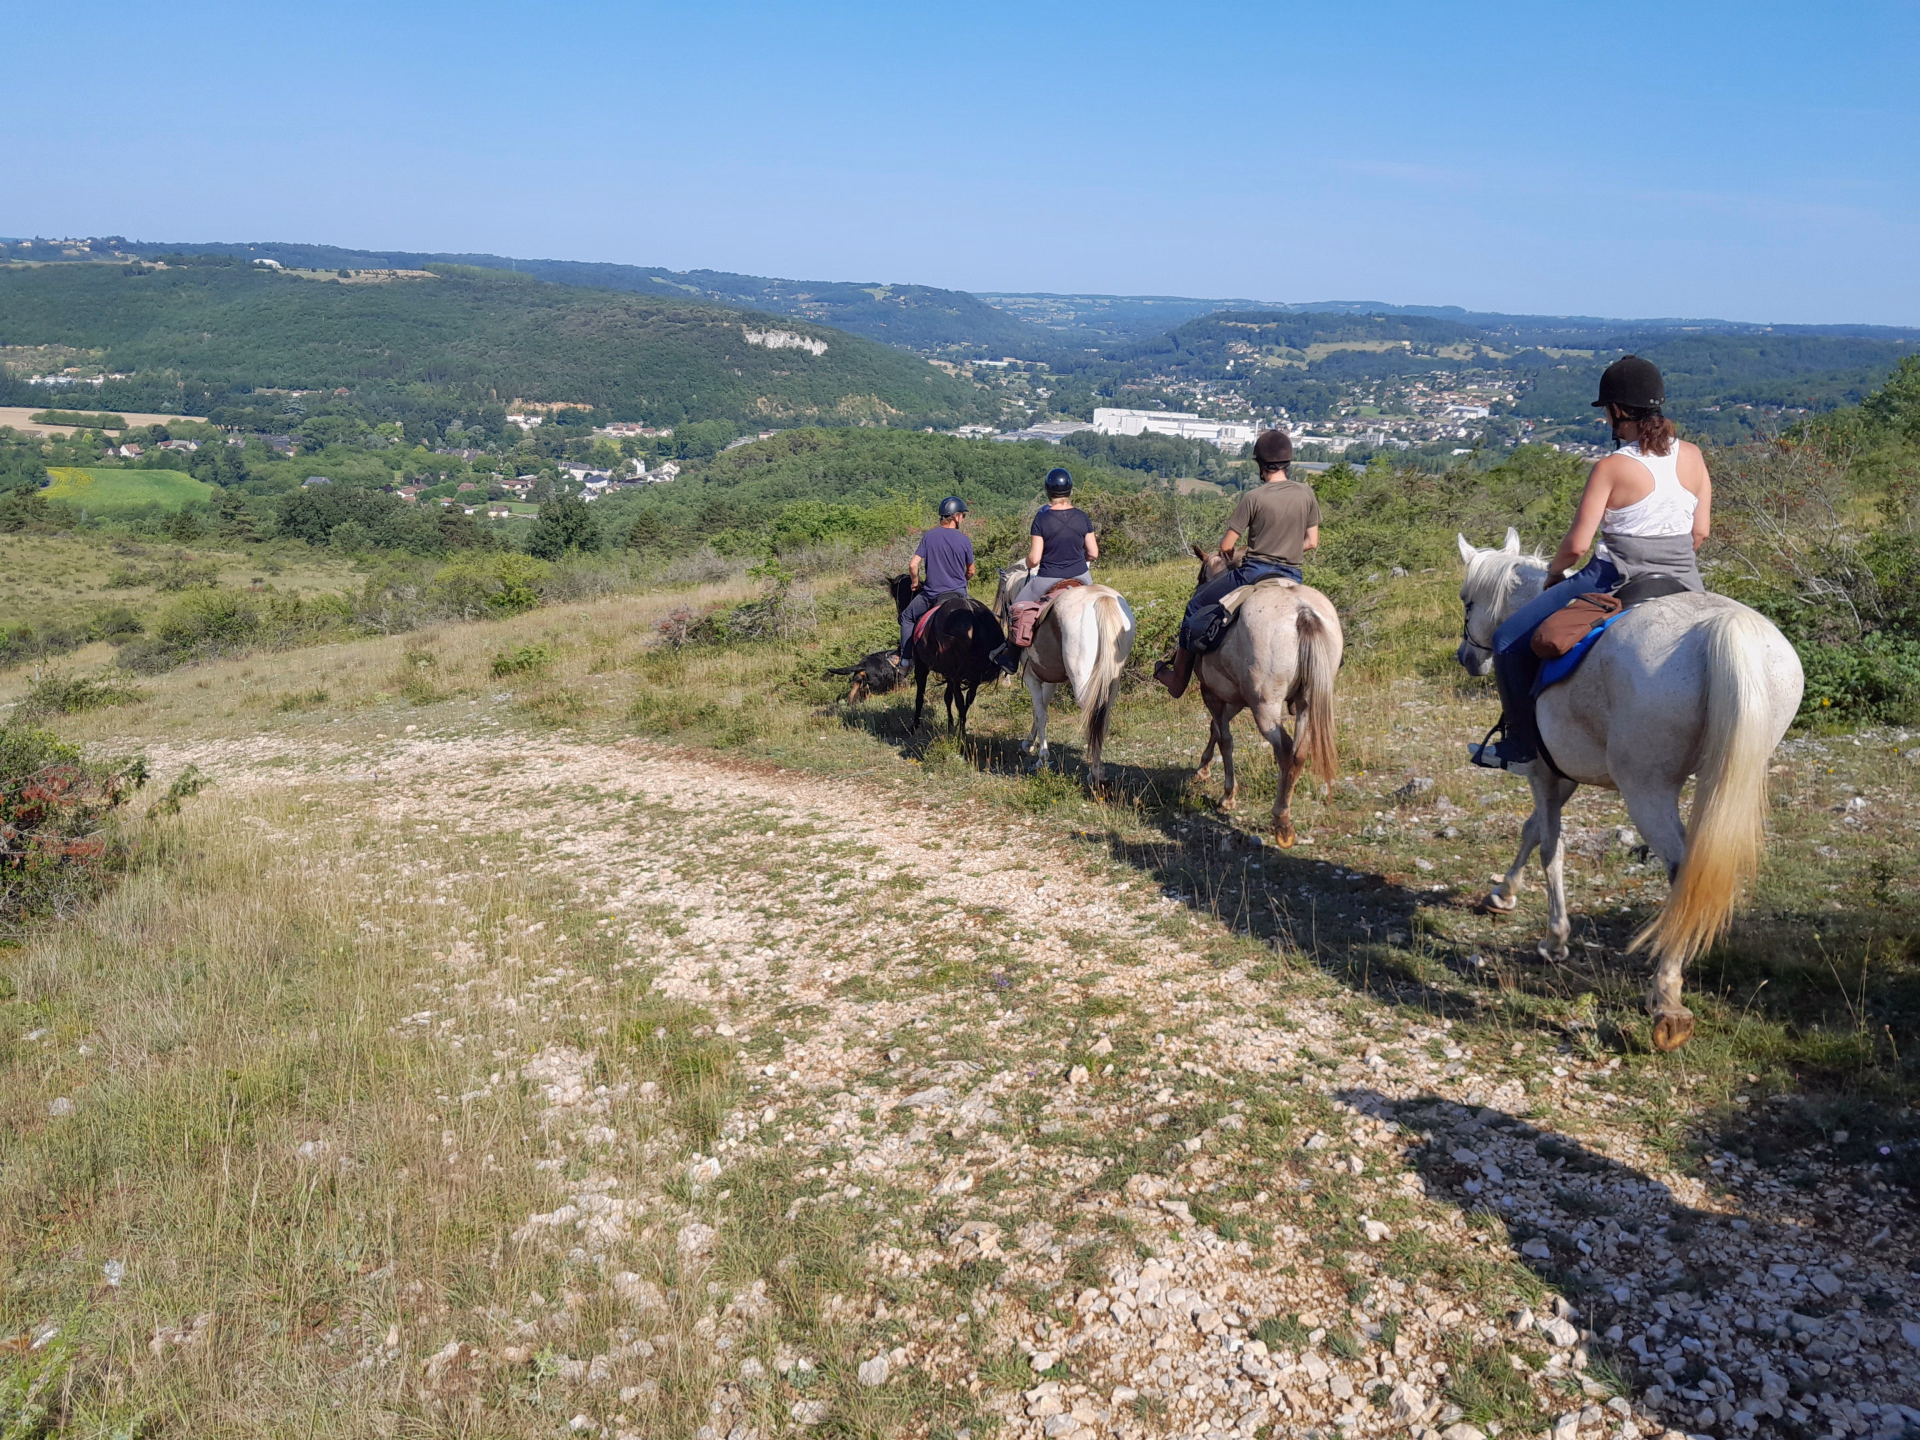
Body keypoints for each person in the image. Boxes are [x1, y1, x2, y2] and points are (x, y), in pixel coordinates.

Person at [1471, 354, 1711, 774]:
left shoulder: (1611, 467)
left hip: (1615, 576)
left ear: (1617, 411)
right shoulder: (1692, 455)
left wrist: (1553, 574)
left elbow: (1577, 546)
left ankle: (1521, 746)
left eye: (1607, 412)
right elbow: (1700, 533)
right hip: (1684, 578)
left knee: (1508, 639)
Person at [1155, 428, 1319, 697]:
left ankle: (1177, 681)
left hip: (1254, 573)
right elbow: (1311, 541)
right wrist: (1286, 546)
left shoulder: (1254, 497)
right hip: (1293, 575)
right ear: (1287, 462)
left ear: (1260, 464)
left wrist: (1249, 549)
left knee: (1194, 605)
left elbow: (1226, 546)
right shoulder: (1306, 493)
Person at [990, 467, 1099, 672]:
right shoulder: (1082, 517)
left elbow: (1034, 559)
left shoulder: (1041, 519)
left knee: (1017, 607)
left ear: (1048, 492)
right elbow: (1093, 552)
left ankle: (1012, 659)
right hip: (1081, 577)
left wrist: (1029, 563)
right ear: (1070, 490)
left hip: (1049, 577)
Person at [896, 495, 977, 658]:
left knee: (906, 618)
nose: (963, 519)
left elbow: (913, 565)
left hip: (932, 594)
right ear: (956, 516)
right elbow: (971, 571)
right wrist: (962, 580)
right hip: (958, 593)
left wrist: (915, 582)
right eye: (963, 515)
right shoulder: (964, 540)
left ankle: (905, 661)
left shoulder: (929, 536)